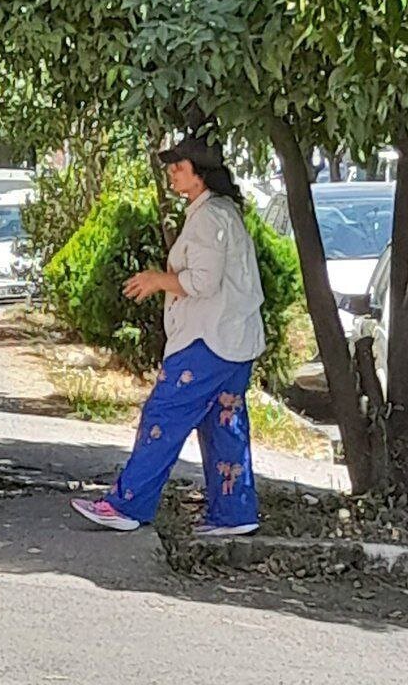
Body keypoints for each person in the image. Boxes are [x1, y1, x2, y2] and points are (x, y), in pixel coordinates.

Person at [70, 136, 265, 535]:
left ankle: (128, 504)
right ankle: (234, 513)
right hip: (235, 338)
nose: (173, 173)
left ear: (200, 172)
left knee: (164, 415)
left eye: (180, 166)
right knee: (222, 422)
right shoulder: (221, 211)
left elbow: (205, 282)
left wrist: (159, 280)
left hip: (206, 340)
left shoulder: (210, 217)